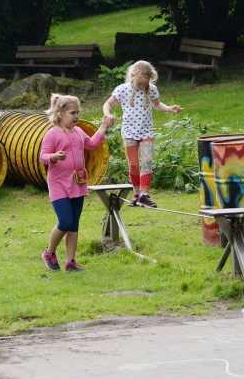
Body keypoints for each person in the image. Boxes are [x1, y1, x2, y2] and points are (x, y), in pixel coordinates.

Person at [40, 93, 114, 272]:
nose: (77, 116)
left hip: (78, 182)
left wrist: (103, 126)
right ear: (60, 114)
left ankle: (70, 262)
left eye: (78, 112)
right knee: (65, 221)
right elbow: (43, 156)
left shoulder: (79, 131)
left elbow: (92, 144)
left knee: (74, 224)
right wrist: (54, 157)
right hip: (58, 183)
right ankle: (49, 252)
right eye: (73, 113)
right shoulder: (52, 134)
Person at [102, 60, 182, 208]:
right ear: (132, 77)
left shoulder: (151, 89)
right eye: (139, 83)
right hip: (129, 132)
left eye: (144, 83)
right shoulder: (122, 89)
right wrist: (107, 114)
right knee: (133, 164)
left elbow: (157, 104)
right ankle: (137, 193)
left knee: (146, 161)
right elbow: (107, 104)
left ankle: (145, 194)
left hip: (146, 131)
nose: (142, 86)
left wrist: (170, 108)